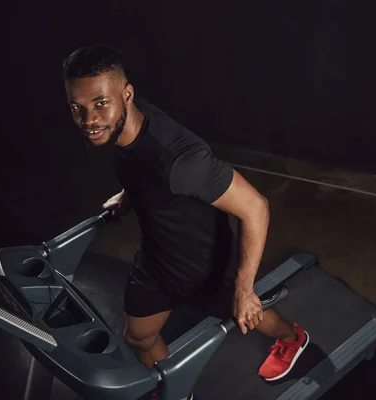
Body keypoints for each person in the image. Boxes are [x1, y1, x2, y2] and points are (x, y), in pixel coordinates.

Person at [61, 45, 309, 396]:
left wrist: (244, 288)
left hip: (204, 267)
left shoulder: (182, 161)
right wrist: (128, 196)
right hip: (156, 260)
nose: (89, 121)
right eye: (77, 108)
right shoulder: (120, 127)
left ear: (126, 94)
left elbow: (256, 207)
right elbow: (140, 167)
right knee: (138, 337)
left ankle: (293, 338)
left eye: (100, 104)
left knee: (251, 316)